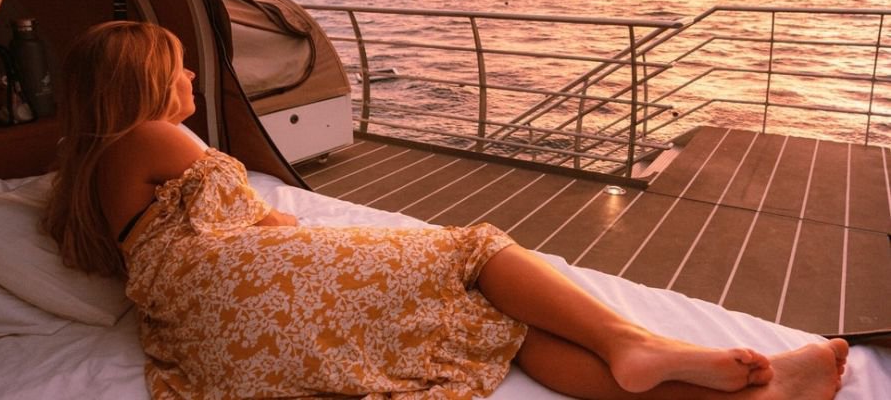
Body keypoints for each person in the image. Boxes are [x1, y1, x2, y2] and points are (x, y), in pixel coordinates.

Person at [43, 21, 848, 400]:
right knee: (471, 248)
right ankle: (635, 340)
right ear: (143, 86)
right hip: (237, 295)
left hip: (208, 344)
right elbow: (255, 220)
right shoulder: (151, 136)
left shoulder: (86, 181)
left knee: (496, 326)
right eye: (180, 69)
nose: (189, 84)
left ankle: (749, 391)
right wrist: (281, 227)